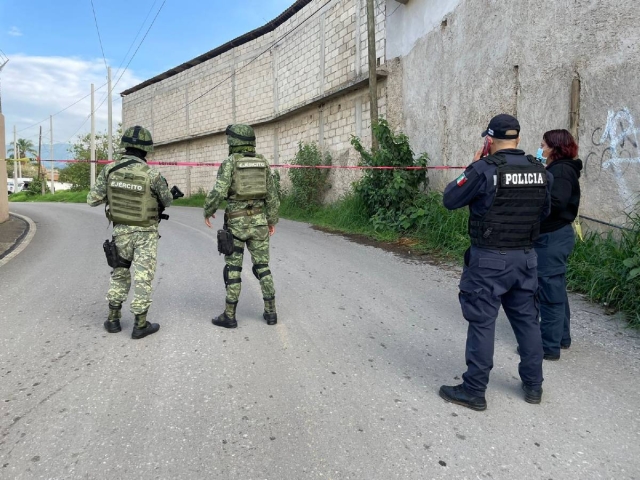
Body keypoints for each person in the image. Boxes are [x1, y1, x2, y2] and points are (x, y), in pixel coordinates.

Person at [439, 114, 553, 411]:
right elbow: (545, 213)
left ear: (489, 139)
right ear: (516, 139)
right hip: (526, 258)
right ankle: (534, 385)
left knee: (482, 322)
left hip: (489, 260)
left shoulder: (483, 169)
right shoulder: (540, 170)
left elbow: (450, 199)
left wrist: (471, 166)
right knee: (528, 321)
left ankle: (474, 390)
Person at [87, 125, 175, 339]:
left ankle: (113, 319)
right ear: (146, 150)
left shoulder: (109, 170)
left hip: (121, 231)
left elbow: (92, 199)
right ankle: (140, 325)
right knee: (143, 277)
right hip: (146, 233)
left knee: (120, 272)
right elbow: (168, 201)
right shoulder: (152, 174)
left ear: (124, 147)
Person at [203, 124, 280, 329]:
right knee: (263, 267)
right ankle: (271, 312)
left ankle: (230, 315)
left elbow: (218, 191)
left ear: (233, 142)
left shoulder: (230, 163)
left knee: (234, 268)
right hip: (259, 222)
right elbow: (272, 195)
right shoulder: (263, 162)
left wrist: (208, 210)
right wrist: (271, 220)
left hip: (236, 223)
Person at [534, 130, 582, 360]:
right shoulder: (559, 168)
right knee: (556, 287)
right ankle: (561, 337)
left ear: (554, 148)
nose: (540, 148)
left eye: (543, 144)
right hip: (555, 235)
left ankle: (548, 346)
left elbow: (557, 202)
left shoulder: (561, 171)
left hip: (552, 237)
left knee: (549, 291)